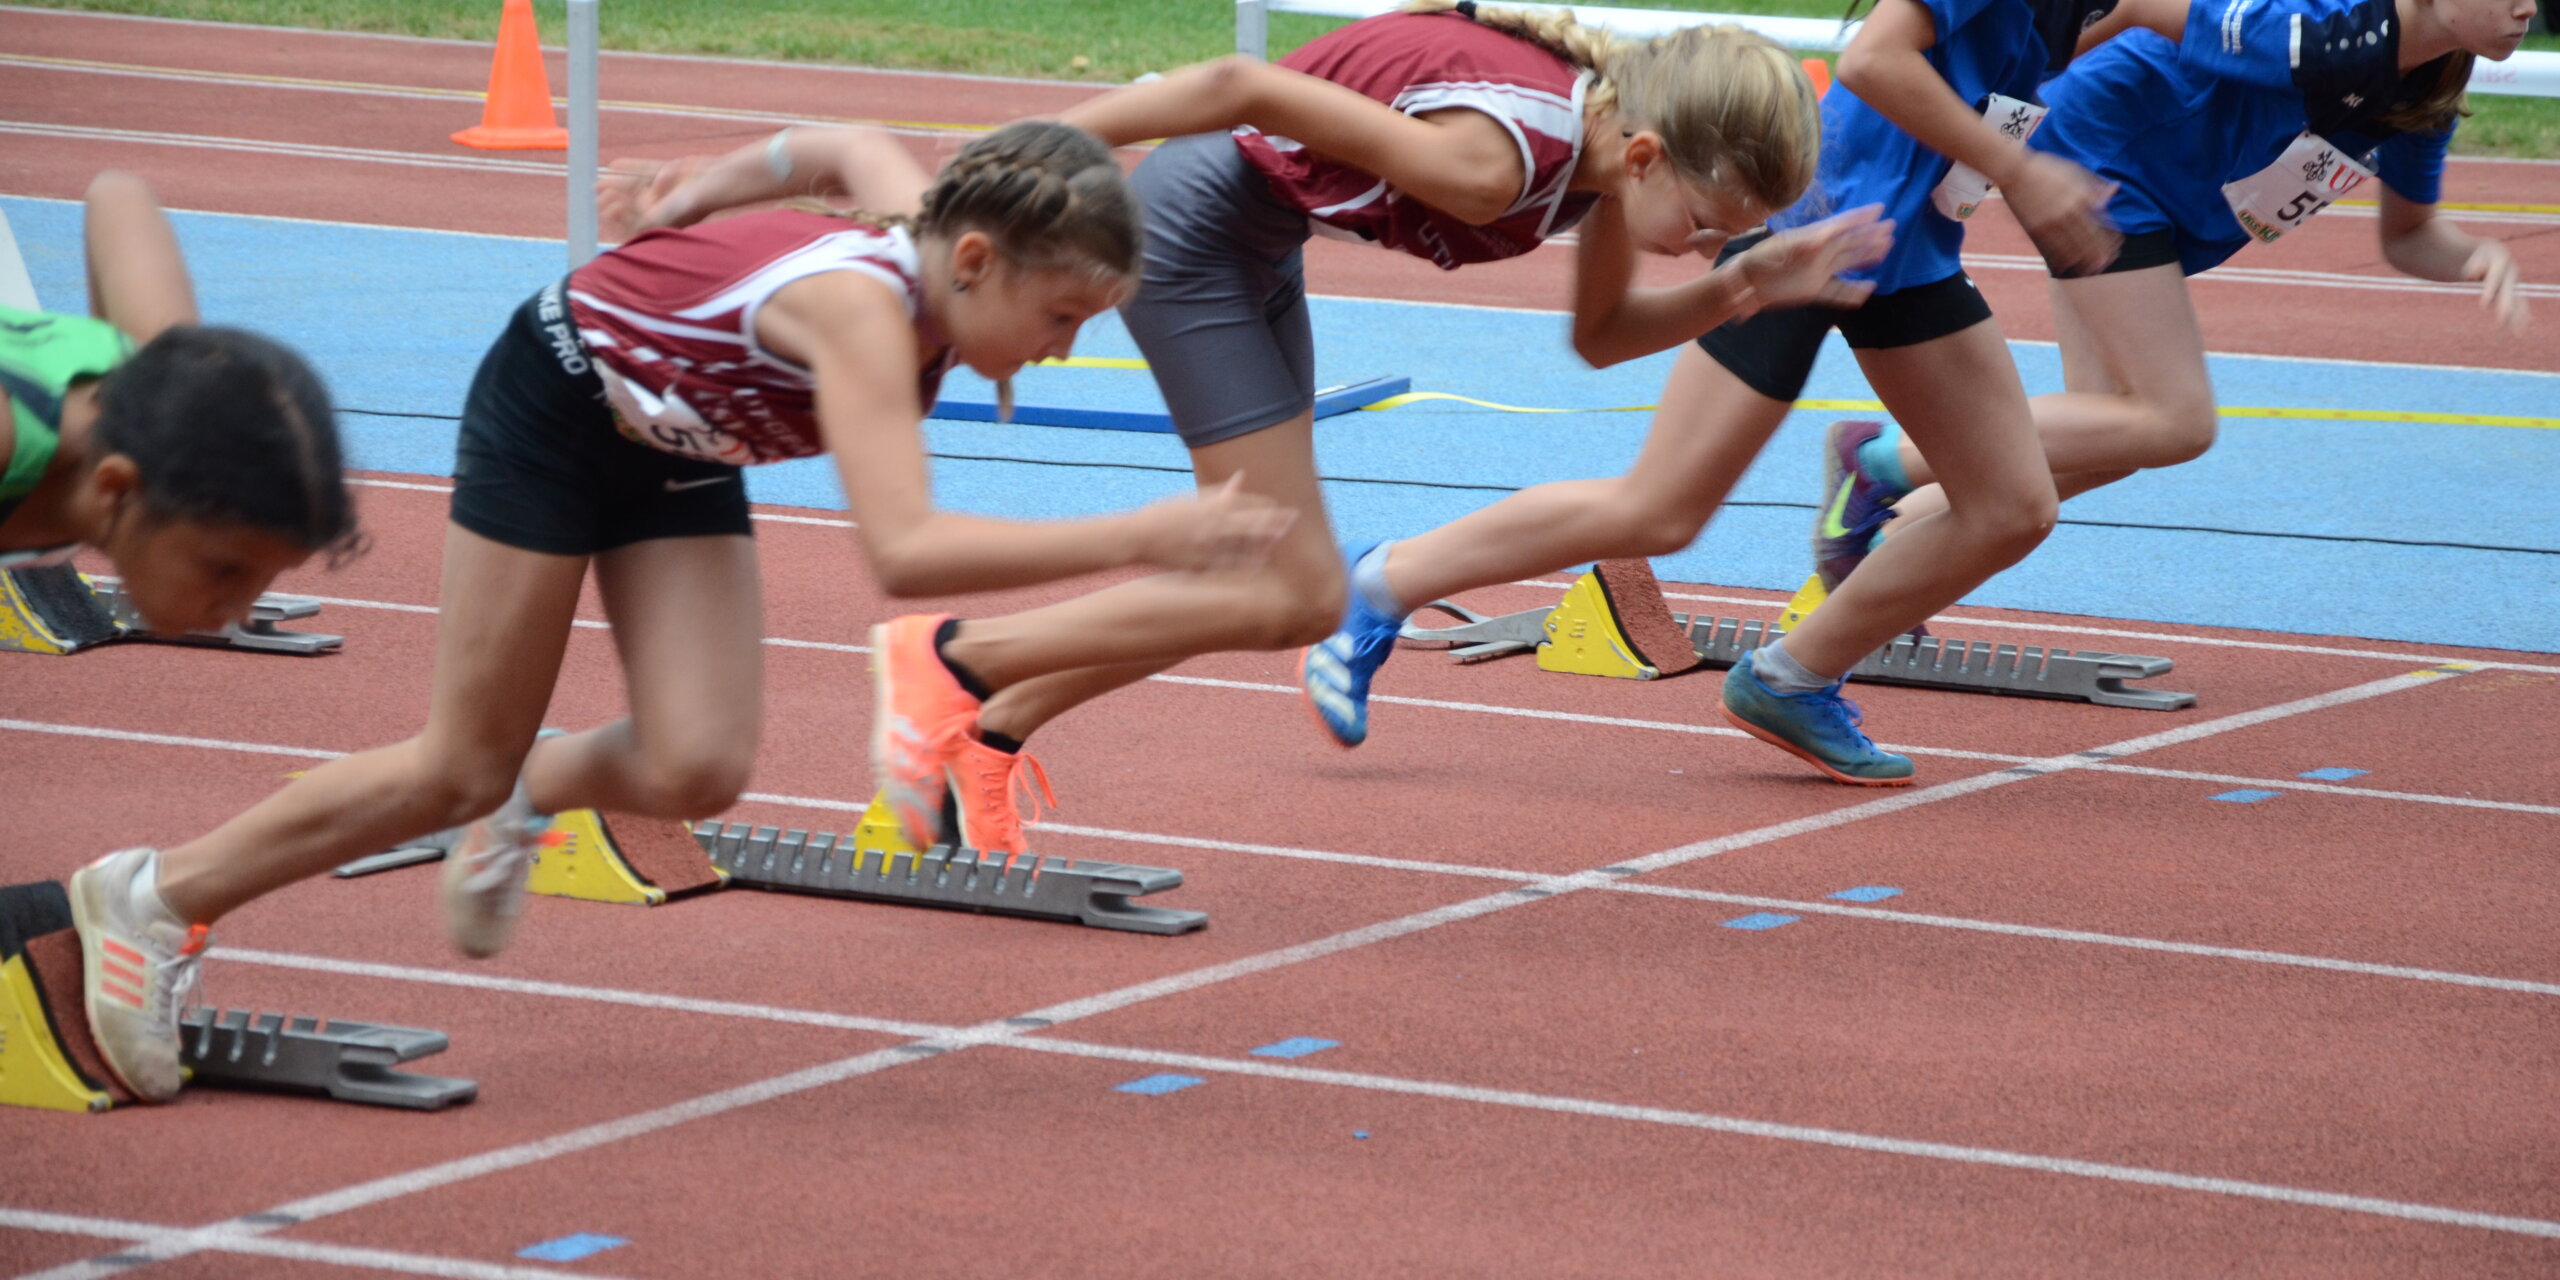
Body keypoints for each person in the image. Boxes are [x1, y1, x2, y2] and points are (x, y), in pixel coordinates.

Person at [64, 121, 1292, 1103]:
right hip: (552, 405)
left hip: (671, 439)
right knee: (451, 761)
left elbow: (835, 136)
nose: (1066, 349)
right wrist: (1153, 532)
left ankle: (530, 790)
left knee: (696, 761)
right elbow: (907, 550)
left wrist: (688, 194)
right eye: (1062, 317)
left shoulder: (920, 208)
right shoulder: (862, 313)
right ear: (973, 262)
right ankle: (156, 893)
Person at [833, 1, 1887, 854]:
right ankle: (955, 657)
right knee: (1285, 585)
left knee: (1262, 573)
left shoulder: (1611, 159)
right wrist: (1008, 157)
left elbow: (1605, 336)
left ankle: (984, 729)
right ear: (1652, 151)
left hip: (1252, 236)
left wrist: (1747, 284)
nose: (1702, 246)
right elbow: (1233, 85)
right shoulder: (1502, 158)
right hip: (1195, 229)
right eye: (1707, 225)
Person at [1304, 0, 2135, 786]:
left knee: (2012, 506)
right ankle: (1378, 582)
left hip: (1903, 250)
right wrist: (2020, 170)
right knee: (1660, 511)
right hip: (1809, 229)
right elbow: (1878, 59)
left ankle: (1791, 677)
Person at [1839, 0, 2535, 546]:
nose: (2528, 9)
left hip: (2161, 209)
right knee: (2176, 420)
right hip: (2106, 162)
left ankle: (1878, 540)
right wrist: (2008, 111)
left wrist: (2480, 255)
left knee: (2111, 440)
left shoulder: (2425, 95)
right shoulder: (2313, 22)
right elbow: (2134, 5)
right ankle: (1879, 464)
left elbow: (2410, 236)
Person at [1, 171, 353, 634]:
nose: (241, 608)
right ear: (116, 487)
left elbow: (119, 193)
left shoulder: (160, 374)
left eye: (268, 576)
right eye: (224, 570)